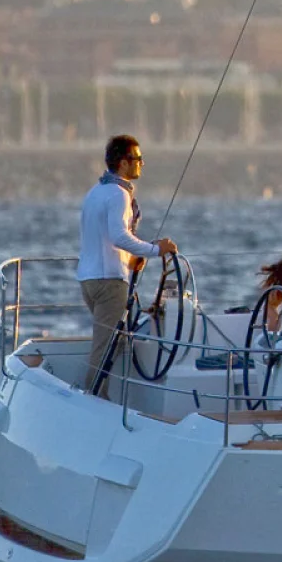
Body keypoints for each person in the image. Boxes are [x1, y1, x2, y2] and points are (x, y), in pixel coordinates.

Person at [76, 134, 178, 397]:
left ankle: (100, 397)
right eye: (138, 159)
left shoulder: (95, 192)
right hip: (109, 283)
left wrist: (131, 258)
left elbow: (102, 237)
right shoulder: (119, 195)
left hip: (89, 280)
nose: (142, 163)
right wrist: (155, 250)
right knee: (106, 347)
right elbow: (119, 236)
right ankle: (94, 399)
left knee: (114, 342)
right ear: (123, 163)